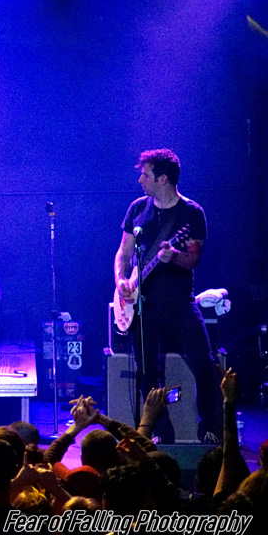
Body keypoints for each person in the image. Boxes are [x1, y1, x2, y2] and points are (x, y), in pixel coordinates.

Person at [113, 148, 219, 442]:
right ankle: (161, 433)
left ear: (163, 178)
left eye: (145, 175)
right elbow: (123, 253)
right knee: (147, 373)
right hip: (143, 307)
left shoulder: (192, 213)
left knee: (204, 362)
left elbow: (194, 258)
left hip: (179, 303)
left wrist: (174, 257)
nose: (140, 180)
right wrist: (121, 281)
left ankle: (209, 428)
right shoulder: (137, 208)